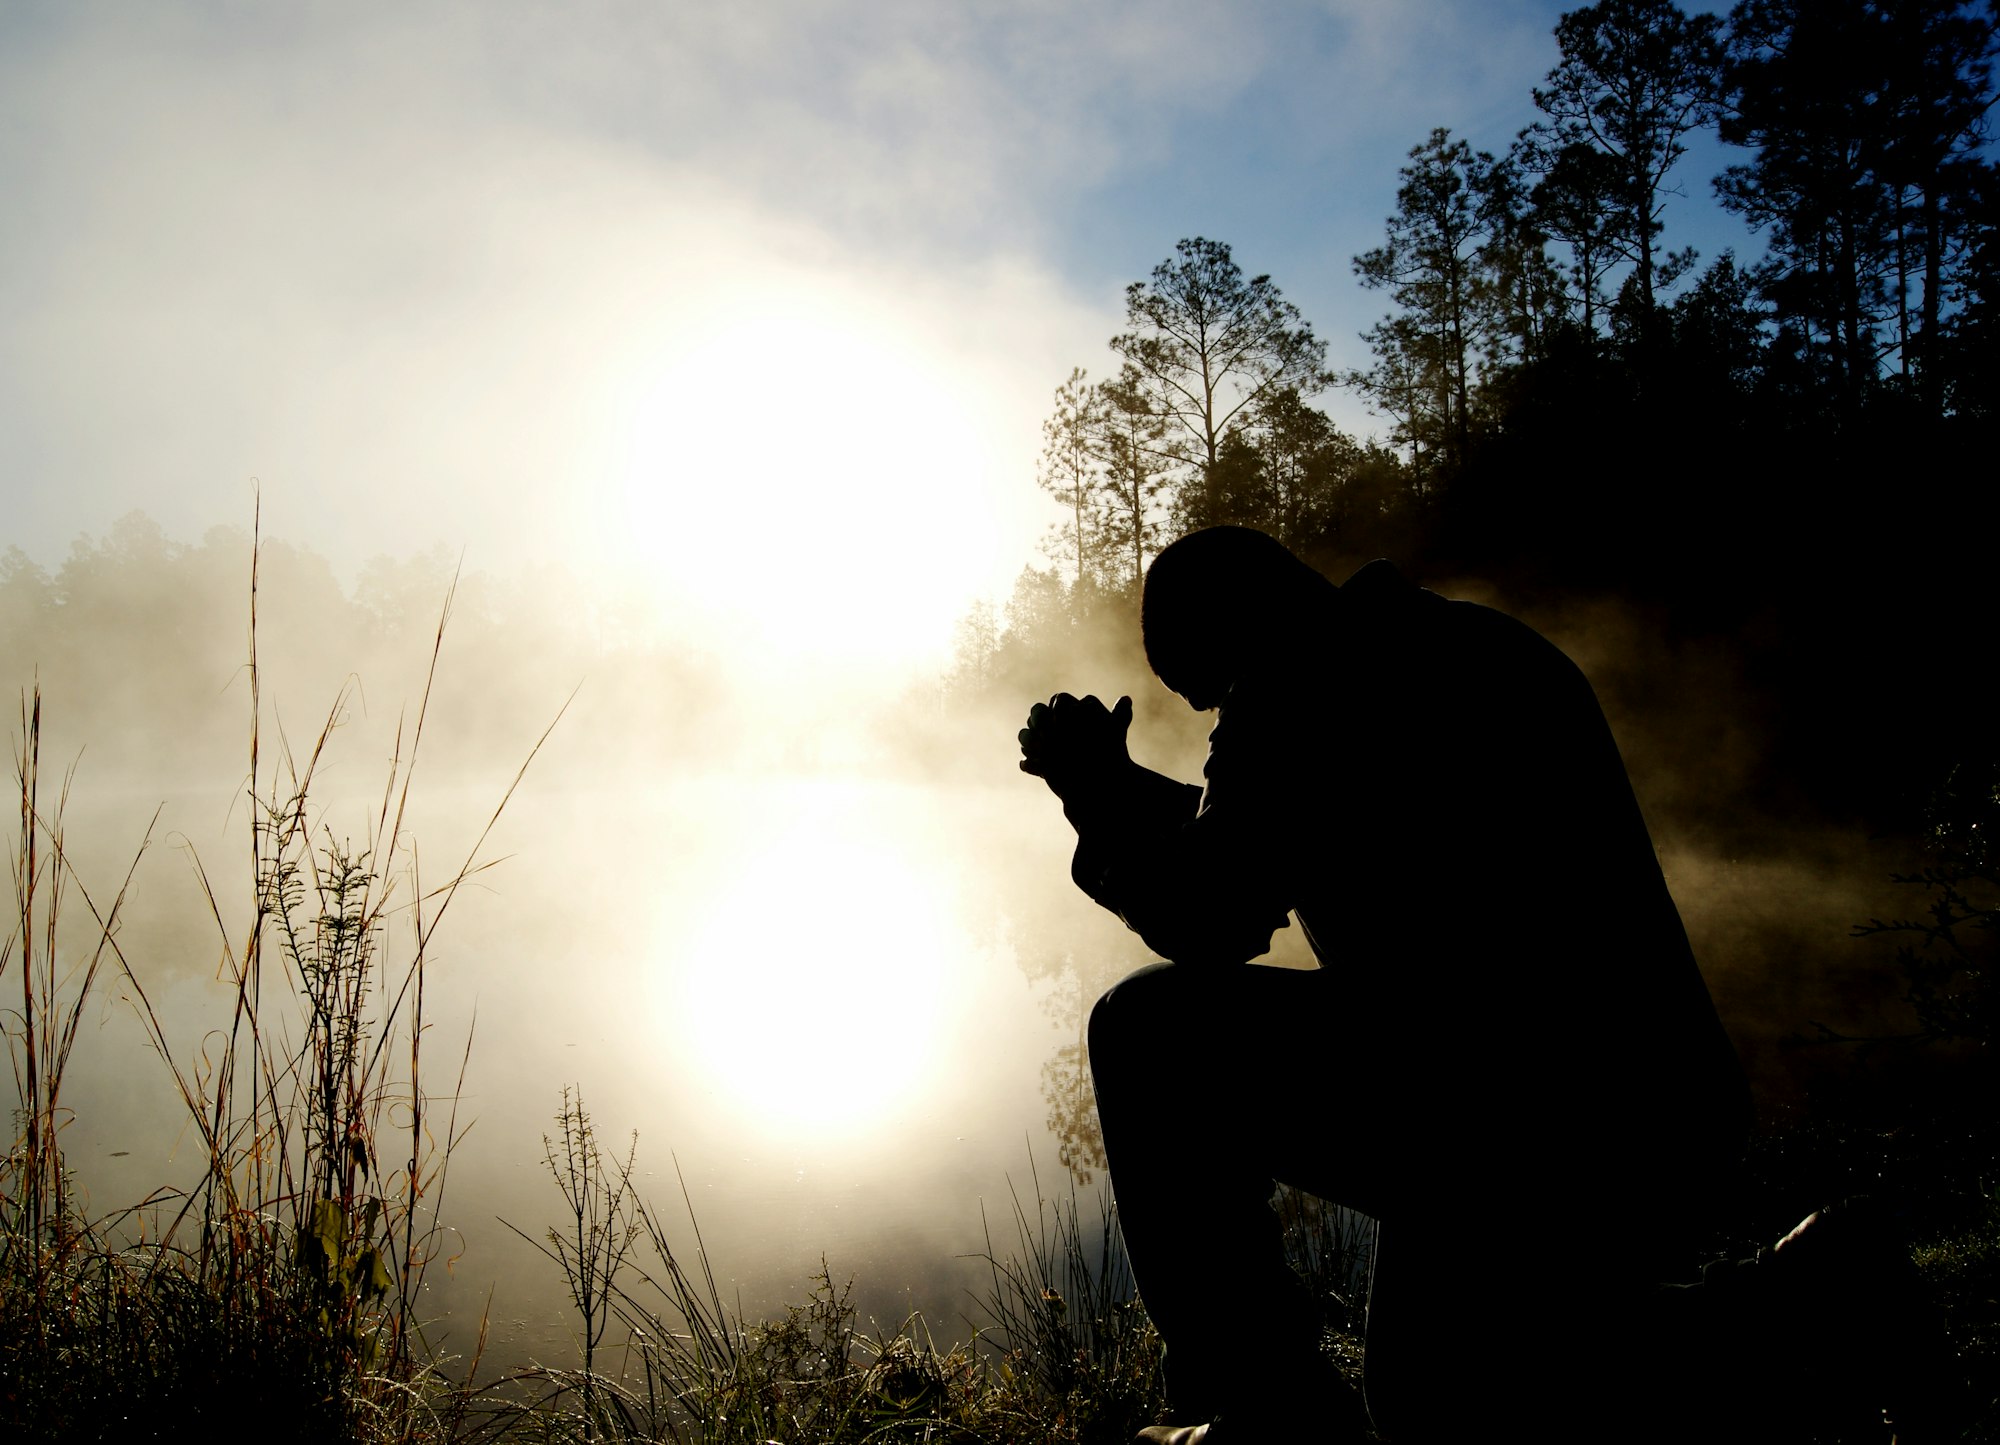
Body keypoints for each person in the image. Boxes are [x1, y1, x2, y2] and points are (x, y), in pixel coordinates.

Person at [1018, 527, 1756, 1442]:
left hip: (1506, 1109)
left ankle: (1269, 1415)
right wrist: (1126, 786)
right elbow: (1271, 827)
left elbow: (1216, 914)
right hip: (1649, 1110)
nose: (1220, 722)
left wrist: (1092, 796)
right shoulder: (1463, 644)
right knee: (1432, 1396)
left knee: (1146, 1032)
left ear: (1241, 625)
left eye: (1217, 696)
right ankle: (1803, 1305)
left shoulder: (1300, 683)